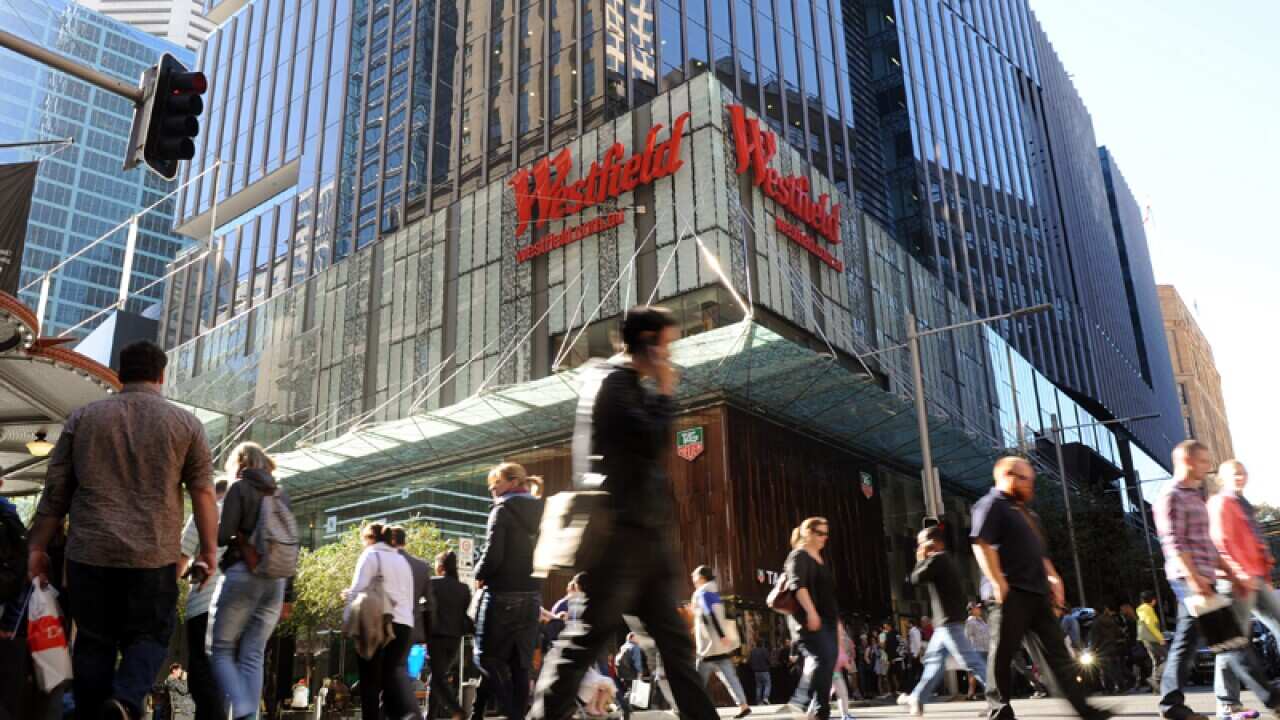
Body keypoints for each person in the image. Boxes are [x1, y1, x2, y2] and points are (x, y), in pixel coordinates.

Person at [530, 306, 720, 720]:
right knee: (586, 638)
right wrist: (667, 394)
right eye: (667, 345)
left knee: (673, 643)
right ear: (649, 343)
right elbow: (649, 444)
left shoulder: (627, 385)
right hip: (621, 537)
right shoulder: (613, 383)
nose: (670, 357)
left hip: (643, 538)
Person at [27, 340, 218, 720]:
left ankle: (93, 711)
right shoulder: (186, 424)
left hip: (90, 553)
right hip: (154, 556)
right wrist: (208, 551)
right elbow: (203, 493)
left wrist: (37, 547)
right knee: (150, 635)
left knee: (94, 641)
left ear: (119, 373)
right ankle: (125, 701)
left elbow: (56, 493)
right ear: (161, 376)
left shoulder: (83, 419)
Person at [970, 456, 1109, 720]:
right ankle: (998, 710)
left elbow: (1040, 555)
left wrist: (1054, 578)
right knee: (1002, 653)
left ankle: (1083, 709)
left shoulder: (1028, 514)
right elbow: (981, 544)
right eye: (1026, 479)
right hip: (1009, 592)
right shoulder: (991, 505)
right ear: (1008, 476)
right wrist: (998, 581)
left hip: (1036, 594)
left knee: (1057, 654)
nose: (1031, 485)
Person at [1156, 441, 1280, 720]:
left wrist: (1231, 573)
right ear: (1187, 461)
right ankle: (1272, 700)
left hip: (1203, 577)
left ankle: (1171, 706)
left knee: (1188, 644)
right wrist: (1194, 578)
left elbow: (1208, 546)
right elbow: (1173, 543)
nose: (1208, 467)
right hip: (1189, 578)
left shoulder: (1194, 495)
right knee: (1232, 641)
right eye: (1203, 461)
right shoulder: (1172, 494)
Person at [209, 442, 292, 720]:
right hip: (276, 579)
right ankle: (250, 715)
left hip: (245, 572)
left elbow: (222, 536)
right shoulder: (280, 494)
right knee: (254, 653)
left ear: (240, 463)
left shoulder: (239, 488)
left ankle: (243, 705)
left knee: (221, 648)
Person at [1209, 459, 1280, 720]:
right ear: (1222, 478)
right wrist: (1237, 572)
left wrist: (1265, 573)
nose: (1240, 476)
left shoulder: (1244, 505)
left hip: (1257, 579)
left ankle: (1228, 702)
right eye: (1234, 473)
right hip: (1237, 579)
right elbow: (1220, 541)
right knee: (1232, 643)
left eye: (1243, 472)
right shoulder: (1221, 502)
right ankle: (1226, 702)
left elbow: (1257, 543)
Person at [474, 461, 544, 720]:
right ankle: (488, 713)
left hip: (502, 593)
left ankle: (514, 714)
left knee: (485, 658)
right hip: (533, 595)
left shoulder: (501, 509)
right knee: (520, 665)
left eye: (496, 483)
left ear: (514, 482)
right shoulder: (543, 509)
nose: (492, 489)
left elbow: (493, 554)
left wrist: (479, 574)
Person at [898, 527, 988, 716]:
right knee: (933, 662)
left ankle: (997, 698)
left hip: (948, 622)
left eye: (921, 542)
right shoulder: (944, 559)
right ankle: (917, 698)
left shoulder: (937, 559)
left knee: (970, 661)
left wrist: (919, 558)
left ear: (933, 543)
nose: (919, 546)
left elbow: (914, 579)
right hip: (945, 623)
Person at [345, 522, 417, 720]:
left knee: (369, 678)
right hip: (403, 625)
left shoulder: (371, 555)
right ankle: (402, 714)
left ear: (370, 538)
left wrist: (347, 621)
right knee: (389, 677)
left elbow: (357, 590)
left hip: (377, 622)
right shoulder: (402, 561)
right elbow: (408, 598)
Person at [178, 479, 228, 720]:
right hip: (236, 608)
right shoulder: (249, 521)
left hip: (203, 605)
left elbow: (180, 559)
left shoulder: (202, 513)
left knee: (202, 675)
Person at [783, 517, 839, 720]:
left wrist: (838, 625)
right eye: (820, 533)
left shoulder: (820, 559)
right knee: (821, 658)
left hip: (829, 619)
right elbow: (798, 585)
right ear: (808, 533)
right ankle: (804, 702)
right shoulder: (799, 556)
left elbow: (828, 596)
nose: (825, 537)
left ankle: (818, 710)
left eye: (826, 533)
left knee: (828, 661)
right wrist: (811, 612)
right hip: (809, 619)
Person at [690, 565, 751, 718]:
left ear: (701, 578)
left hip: (709, 648)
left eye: (695, 577)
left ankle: (693, 710)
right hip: (721, 649)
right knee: (731, 678)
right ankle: (743, 705)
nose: (693, 580)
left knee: (697, 681)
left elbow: (709, 615)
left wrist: (720, 635)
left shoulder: (701, 593)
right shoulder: (714, 593)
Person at [429, 550, 472, 720]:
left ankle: (456, 710)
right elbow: (463, 612)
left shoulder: (433, 583)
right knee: (438, 676)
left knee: (438, 677)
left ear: (440, 567)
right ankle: (430, 716)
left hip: (437, 636)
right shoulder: (463, 588)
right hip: (455, 639)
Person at [387, 526, 433, 646]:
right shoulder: (421, 567)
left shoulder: (383, 562)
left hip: (385, 625)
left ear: (390, 541)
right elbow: (431, 602)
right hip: (411, 626)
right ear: (404, 542)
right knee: (403, 663)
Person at [1089, 605, 1124, 694]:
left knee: (1105, 670)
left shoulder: (1096, 623)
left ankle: (1109, 689)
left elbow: (1095, 638)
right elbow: (1118, 633)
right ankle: (1121, 686)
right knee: (1116, 668)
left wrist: (1092, 650)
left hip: (1102, 649)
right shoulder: (1112, 620)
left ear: (1096, 611)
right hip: (1113, 647)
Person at [1137, 591, 1166, 694]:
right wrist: (1160, 638)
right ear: (1153, 600)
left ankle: (1156, 687)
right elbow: (1150, 624)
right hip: (1152, 639)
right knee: (1168, 659)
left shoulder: (1142, 609)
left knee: (1156, 660)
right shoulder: (1148, 609)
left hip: (1146, 639)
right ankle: (1155, 680)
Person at [831, 622, 856, 720]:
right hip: (829, 673)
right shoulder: (832, 642)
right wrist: (847, 663)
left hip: (834, 673)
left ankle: (845, 715)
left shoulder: (839, 642)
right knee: (840, 694)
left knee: (842, 694)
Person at [964, 603, 989, 701]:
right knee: (980, 672)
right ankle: (988, 692)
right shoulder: (970, 621)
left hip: (986, 649)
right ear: (971, 610)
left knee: (975, 673)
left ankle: (971, 693)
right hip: (977, 650)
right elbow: (966, 636)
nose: (979, 609)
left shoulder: (982, 620)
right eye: (977, 608)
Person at [905, 619, 923, 687]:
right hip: (914, 653)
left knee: (915, 670)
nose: (906, 625)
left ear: (910, 624)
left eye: (907, 623)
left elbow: (917, 642)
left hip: (914, 654)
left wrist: (917, 653)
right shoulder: (914, 630)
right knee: (916, 670)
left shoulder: (913, 631)